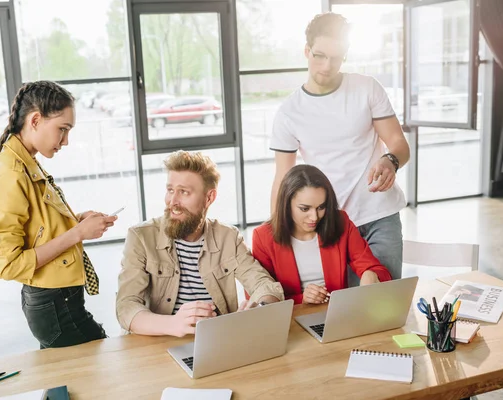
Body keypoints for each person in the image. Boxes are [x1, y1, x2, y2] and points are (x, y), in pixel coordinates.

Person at [269, 12, 409, 287]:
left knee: (383, 304)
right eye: (319, 55)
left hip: (380, 215)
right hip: (330, 222)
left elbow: (399, 145)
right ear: (306, 51)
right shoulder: (289, 112)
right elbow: (283, 177)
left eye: (336, 57)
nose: (326, 65)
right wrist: (276, 231)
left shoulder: (367, 88)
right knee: (344, 311)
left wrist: (390, 161)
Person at [0, 81, 117, 348]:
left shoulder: (25, 161)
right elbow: (9, 264)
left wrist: (74, 221)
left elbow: (37, 229)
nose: (66, 141)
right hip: (54, 305)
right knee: (102, 361)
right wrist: (77, 233)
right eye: (62, 130)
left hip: (58, 301)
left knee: (75, 380)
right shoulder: (10, 173)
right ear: (35, 120)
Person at [116, 150, 284, 337]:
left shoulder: (228, 237)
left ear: (209, 197)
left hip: (217, 341)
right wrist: (172, 324)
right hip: (160, 343)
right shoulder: (140, 237)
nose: (173, 201)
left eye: (184, 192)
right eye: (170, 190)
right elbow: (126, 306)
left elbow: (263, 284)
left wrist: (260, 308)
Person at [254, 165, 391, 304]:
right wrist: (302, 299)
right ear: (286, 203)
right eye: (305, 208)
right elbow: (260, 300)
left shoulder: (340, 222)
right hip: (289, 317)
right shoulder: (263, 237)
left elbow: (378, 270)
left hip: (336, 314)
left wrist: (371, 274)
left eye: (321, 207)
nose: (314, 217)